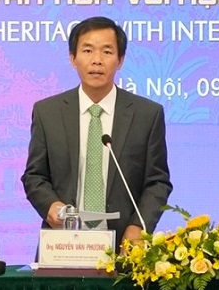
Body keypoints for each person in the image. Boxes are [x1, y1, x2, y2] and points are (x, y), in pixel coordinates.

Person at [23, 16, 172, 244]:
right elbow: (34, 176)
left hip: (123, 245)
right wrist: (50, 205)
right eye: (87, 51)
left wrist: (138, 226)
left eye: (107, 52)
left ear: (120, 60)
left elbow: (157, 182)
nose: (97, 61)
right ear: (73, 58)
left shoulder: (146, 114)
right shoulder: (47, 112)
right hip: (63, 242)